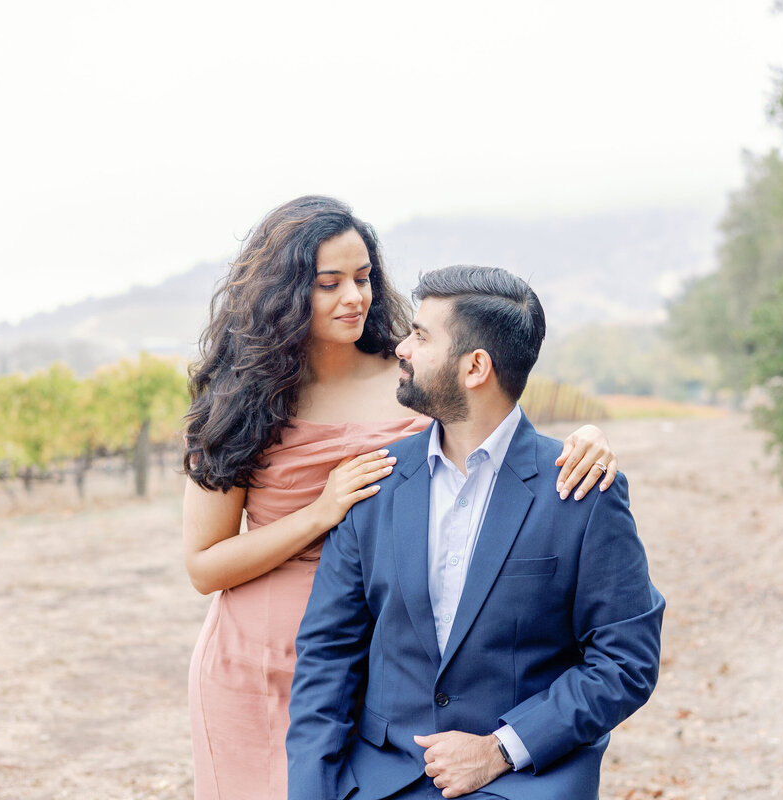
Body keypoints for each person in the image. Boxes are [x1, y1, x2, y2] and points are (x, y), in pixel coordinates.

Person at [182, 197, 621, 800]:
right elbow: (203, 566)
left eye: (363, 278)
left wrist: (588, 440)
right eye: (329, 284)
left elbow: (500, 439)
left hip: (386, 650)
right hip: (256, 658)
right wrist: (321, 512)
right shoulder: (239, 404)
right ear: (283, 293)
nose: (354, 298)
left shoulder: (412, 375)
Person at [286, 265, 665, 800]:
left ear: (475, 367)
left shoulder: (582, 490)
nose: (402, 348)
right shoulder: (373, 483)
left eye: (420, 336)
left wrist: (500, 748)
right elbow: (328, 655)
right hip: (380, 782)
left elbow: (626, 661)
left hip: (524, 781)